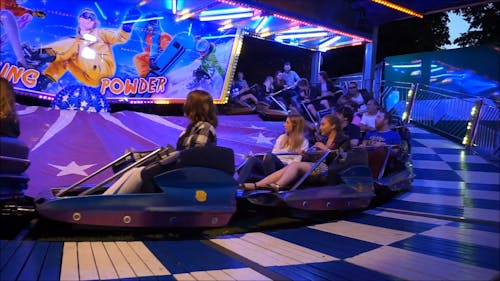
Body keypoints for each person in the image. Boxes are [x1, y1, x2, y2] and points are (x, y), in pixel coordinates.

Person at [104, 90, 218, 195]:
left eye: (187, 102)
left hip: (188, 173)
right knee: (135, 170)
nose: (184, 105)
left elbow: (195, 155)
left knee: (144, 173)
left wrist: (168, 157)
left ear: (192, 107)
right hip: (181, 168)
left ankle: (108, 202)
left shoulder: (205, 127)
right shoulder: (190, 129)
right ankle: (107, 198)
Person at [23, 7, 140, 90]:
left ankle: (39, 54)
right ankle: (44, 79)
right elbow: (64, 59)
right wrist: (44, 79)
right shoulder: (74, 44)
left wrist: (127, 25)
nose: (89, 19)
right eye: (86, 16)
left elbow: (119, 37)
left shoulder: (101, 33)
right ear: (79, 19)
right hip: (86, 76)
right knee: (66, 57)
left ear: (94, 22)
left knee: (75, 45)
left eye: (92, 17)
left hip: (102, 71)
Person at [240, 114, 350, 191]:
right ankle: (257, 185)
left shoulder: (343, 140)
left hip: (327, 168)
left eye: (323, 124)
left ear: (333, 126)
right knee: (291, 165)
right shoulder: (323, 140)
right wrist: (306, 155)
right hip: (317, 165)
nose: (320, 127)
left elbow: (342, 159)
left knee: (294, 164)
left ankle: (277, 186)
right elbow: (312, 159)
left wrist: (325, 149)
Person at [237, 113, 309, 183]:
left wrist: (279, 160)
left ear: (294, 125)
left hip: (285, 169)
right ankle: (238, 185)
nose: (284, 125)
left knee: (270, 156)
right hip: (272, 165)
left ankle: (267, 182)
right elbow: (275, 153)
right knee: (252, 159)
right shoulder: (282, 137)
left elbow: (296, 163)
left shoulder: (304, 142)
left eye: (287, 123)